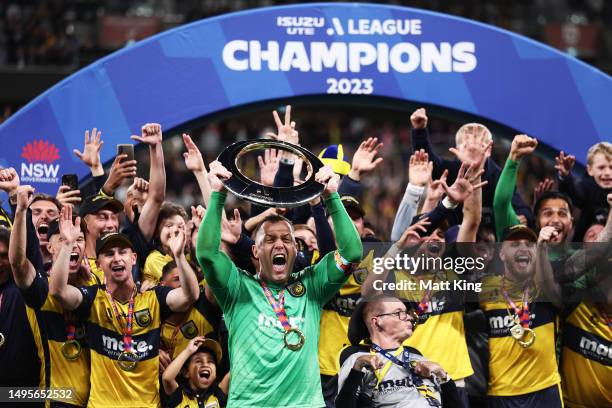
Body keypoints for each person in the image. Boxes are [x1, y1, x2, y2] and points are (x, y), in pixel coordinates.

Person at [196, 160, 362, 407]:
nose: (280, 244)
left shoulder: (312, 287)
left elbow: (351, 253)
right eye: (270, 239)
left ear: (296, 250)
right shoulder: (237, 288)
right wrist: (218, 195)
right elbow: (207, 254)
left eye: (287, 239)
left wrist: (332, 197)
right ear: (255, 250)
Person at [49, 221, 200, 407]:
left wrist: (178, 256)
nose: (117, 258)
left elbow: (190, 295)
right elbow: (58, 291)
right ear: (99, 263)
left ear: (134, 258)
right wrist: (66, 246)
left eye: (122, 252)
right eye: (109, 254)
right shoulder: (94, 298)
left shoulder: (154, 298)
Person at [10, 186, 94, 407]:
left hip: (98, 399)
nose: (73, 242)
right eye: (65, 238)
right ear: (51, 246)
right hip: (57, 399)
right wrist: (20, 212)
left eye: (79, 238)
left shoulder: (96, 283)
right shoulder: (40, 286)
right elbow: (18, 263)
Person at [479, 225, 562, 407]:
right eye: (515, 244)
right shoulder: (485, 287)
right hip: (501, 393)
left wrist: (541, 249)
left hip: (546, 391)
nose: (523, 248)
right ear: (501, 253)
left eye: (529, 244)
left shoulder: (544, 286)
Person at [336, 295, 460, 407]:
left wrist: (443, 376)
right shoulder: (358, 360)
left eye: (407, 313)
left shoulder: (419, 359)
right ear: (377, 321)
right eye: (399, 313)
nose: (410, 318)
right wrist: (357, 369)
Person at [556, 141, 612, 240]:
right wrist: (565, 176)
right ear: (590, 170)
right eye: (601, 167)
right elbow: (573, 193)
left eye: (611, 167)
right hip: (583, 248)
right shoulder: (587, 187)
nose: (607, 172)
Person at [162, 336, 229, 408]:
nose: (205, 364)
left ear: (215, 373)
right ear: (186, 372)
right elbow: (167, 378)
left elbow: (238, 370)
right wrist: (188, 351)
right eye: (198, 361)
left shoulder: (217, 394)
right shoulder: (179, 396)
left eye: (210, 361)